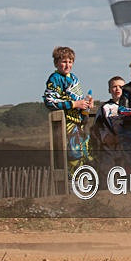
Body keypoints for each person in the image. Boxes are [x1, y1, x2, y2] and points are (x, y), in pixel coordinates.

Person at [43, 46, 93, 175]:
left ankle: (83, 179)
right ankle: (72, 181)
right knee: (73, 152)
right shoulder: (55, 78)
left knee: (86, 151)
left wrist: (86, 104)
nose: (67, 65)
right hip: (66, 122)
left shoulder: (74, 78)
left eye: (70, 62)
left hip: (80, 122)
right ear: (56, 63)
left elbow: (79, 99)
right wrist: (74, 104)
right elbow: (50, 101)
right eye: (64, 61)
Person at [90, 76, 126, 179]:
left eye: (121, 86)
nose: (117, 89)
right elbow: (97, 126)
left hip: (126, 147)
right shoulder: (105, 107)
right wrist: (105, 137)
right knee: (107, 173)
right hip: (108, 148)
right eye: (114, 87)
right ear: (109, 90)